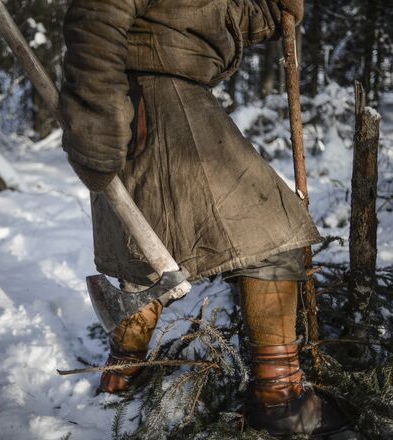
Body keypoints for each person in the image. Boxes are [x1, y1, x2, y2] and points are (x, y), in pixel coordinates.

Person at [59, 0, 348, 436]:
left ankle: (122, 374)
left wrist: (275, 9)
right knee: (273, 232)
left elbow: (224, 16)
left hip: (166, 100)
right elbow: (96, 19)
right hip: (151, 104)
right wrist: (96, 121)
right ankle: (279, 399)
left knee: (152, 256)